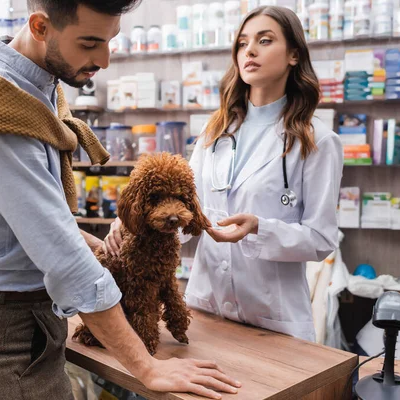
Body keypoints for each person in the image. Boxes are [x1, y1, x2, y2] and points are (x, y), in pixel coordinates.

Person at [0, 1, 242, 399]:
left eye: (110, 41)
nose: (105, 60)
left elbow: (25, 217)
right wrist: (147, 367)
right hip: (4, 334)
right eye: (90, 43)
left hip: (30, 317)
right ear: (40, 27)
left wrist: (90, 241)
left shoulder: (35, 87)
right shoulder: (1, 112)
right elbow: (67, 266)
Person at [105, 6, 343, 343]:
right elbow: (185, 220)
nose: (250, 50)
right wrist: (133, 224)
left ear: (293, 55)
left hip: (273, 320)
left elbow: (320, 239)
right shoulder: (214, 131)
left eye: (264, 40)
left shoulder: (318, 141)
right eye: (242, 43)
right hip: (205, 308)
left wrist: (259, 229)